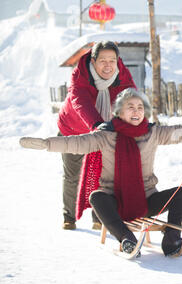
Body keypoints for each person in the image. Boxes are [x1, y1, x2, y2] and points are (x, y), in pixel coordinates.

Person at [20, 88, 182, 257]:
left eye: (140, 107)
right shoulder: (105, 135)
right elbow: (76, 143)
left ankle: (171, 239)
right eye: (130, 107)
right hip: (114, 201)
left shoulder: (152, 133)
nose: (136, 111)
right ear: (119, 112)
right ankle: (126, 239)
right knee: (97, 196)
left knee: (181, 193)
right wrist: (47, 144)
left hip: (146, 199)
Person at [57, 41, 137, 230]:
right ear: (93, 61)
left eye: (112, 60)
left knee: (102, 176)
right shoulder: (80, 74)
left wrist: (136, 121)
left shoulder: (121, 73)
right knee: (73, 175)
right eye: (103, 60)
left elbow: (131, 97)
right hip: (73, 130)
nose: (108, 65)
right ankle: (69, 216)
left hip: (103, 131)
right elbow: (80, 102)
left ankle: (98, 216)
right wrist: (97, 125)